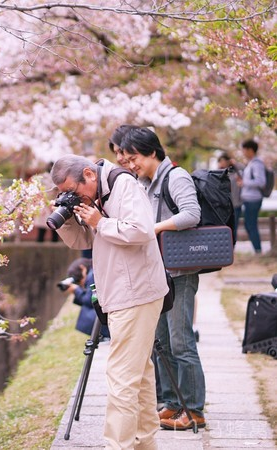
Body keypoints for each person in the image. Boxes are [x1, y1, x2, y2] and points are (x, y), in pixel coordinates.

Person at [51, 154, 168, 449]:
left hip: (136, 293)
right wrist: (65, 219)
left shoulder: (123, 185)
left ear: (89, 175)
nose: (73, 197)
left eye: (73, 192)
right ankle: (144, 443)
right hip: (118, 293)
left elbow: (142, 230)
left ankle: (118, 445)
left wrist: (100, 222)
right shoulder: (94, 194)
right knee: (138, 374)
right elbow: (82, 241)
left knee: (121, 378)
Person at [120, 127, 205, 431]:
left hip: (180, 272)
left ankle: (194, 410)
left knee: (182, 342)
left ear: (152, 152)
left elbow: (191, 214)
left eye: (134, 158)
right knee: (162, 343)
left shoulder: (176, 176)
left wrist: (155, 228)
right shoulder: (143, 182)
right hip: (157, 273)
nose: (131, 164)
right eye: (127, 160)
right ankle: (171, 403)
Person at [62, 257, 110, 338]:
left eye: (80, 280)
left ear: (82, 268)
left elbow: (90, 300)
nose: (82, 283)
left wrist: (76, 290)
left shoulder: (92, 274)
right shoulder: (94, 270)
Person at [238, 139, 266, 254]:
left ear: (250, 150)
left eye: (244, 150)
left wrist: (244, 183)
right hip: (249, 199)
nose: (243, 152)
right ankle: (257, 250)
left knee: (251, 225)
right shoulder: (251, 163)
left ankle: (258, 250)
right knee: (249, 224)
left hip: (253, 199)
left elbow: (261, 182)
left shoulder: (257, 164)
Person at [217, 152, 243, 236]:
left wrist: (235, 163)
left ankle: (232, 246)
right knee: (225, 226)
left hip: (236, 203)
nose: (222, 163)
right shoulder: (218, 173)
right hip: (225, 205)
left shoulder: (235, 172)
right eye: (220, 161)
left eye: (223, 161)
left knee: (234, 226)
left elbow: (244, 168)